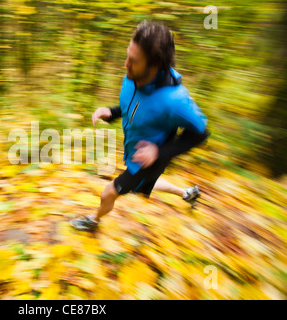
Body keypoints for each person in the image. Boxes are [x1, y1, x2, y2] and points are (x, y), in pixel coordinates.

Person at [70, 21, 210, 232]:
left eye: (133, 60)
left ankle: (93, 221)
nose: (125, 64)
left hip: (147, 163)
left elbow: (200, 133)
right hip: (134, 153)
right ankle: (187, 193)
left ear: (154, 66)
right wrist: (112, 113)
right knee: (143, 185)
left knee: (108, 192)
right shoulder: (133, 77)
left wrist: (159, 152)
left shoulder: (175, 100)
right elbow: (135, 107)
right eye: (127, 55)